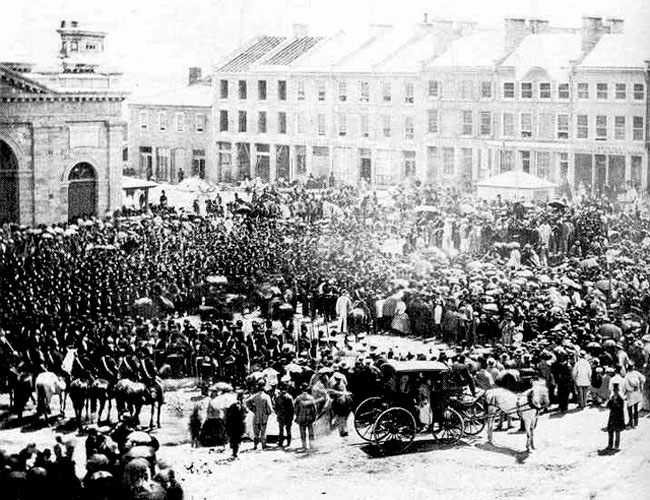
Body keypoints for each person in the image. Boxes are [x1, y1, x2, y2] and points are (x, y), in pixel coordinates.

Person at [245, 383, 274, 450]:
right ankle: (263, 445)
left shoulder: (254, 396)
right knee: (263, 431)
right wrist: (268, 413)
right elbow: (269, 407)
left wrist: (252, 408)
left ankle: (255, 445)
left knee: (256, 432)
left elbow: (247, 402)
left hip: (256, 415)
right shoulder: (266, 396)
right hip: (263, 416)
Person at [294, 383, 318, 450]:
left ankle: (304, 446)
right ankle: (312, 445)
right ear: (307, 389)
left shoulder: (298, 398)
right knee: (311, 432)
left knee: (302, 432)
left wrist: (297, 415)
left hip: (301, 417)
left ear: (301, 389)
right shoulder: (311, 398)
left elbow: (296, 409)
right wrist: (314, 416)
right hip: (309, 417)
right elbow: (314, 409)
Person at [225, 391, 246, 459]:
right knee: (236, 439)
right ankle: (234, 453)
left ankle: (234, 452)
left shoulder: (234, 405)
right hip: (238, 425)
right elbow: (242, 416)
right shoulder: (240, 406)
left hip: (234, 425)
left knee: (235, 439)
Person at [623, 364, 645, 428]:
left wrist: (624, 393)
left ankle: (630, 422)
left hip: (630, 393)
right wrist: (640, 386)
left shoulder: (627, 376)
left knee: (629, 408)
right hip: (636, 392)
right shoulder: (636, 373)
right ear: (633, 367)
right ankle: (636, 423)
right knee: (635, 408)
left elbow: (625, 385)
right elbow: (643, 379)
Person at [605, 383, 625, 452]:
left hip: (617, 417)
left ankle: (616, 446)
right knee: (611, 431)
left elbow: (619, 408)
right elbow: (608, 406)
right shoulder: (613, 397)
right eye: (614, 390)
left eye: (615, 390)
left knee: (617, 431)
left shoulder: (620, 399)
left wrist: (612, 403)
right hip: (613, 416)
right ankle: (610, 445)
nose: (615, 391)